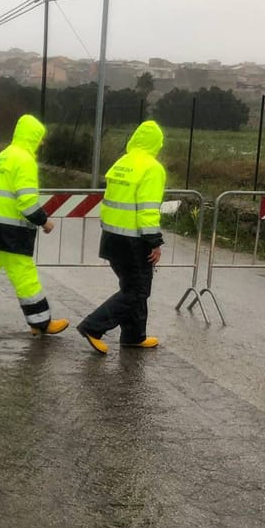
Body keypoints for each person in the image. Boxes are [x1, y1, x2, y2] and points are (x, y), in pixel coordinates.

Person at [0, 114, 69, 336]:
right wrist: (44, 221)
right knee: (25, 275)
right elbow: (26, 202)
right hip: (11, 231)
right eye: (40, 138)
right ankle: (41, 323)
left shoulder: (1, 157)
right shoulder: (24, 160)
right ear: (32, 137)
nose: (42, 143)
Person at [76, 120, 166, 355]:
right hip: (134, 241)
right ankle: (93, 327)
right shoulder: (152, 167)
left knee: (132, 288)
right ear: (157, 143)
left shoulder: (122, 162)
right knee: (137, 291)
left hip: (111, 237)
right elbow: (148, 209)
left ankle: (134, 336)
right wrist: (154, 242)